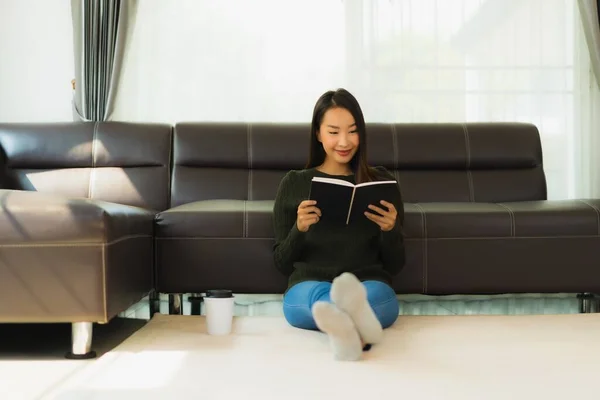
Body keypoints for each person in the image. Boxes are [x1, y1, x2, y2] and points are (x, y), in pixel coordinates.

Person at [272, 88, 405, 361]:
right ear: (317, 134)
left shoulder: (381, 182)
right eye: (333, 132)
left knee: (380, 297)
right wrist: (300, 229)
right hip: (309, 285)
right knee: (314, 301)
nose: (344, 141)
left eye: (352, 131)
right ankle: (354, 323)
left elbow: (395, 265)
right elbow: (282, 263)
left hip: (367, 283)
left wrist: (390, 230)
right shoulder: (294, 183)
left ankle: (344, 325)